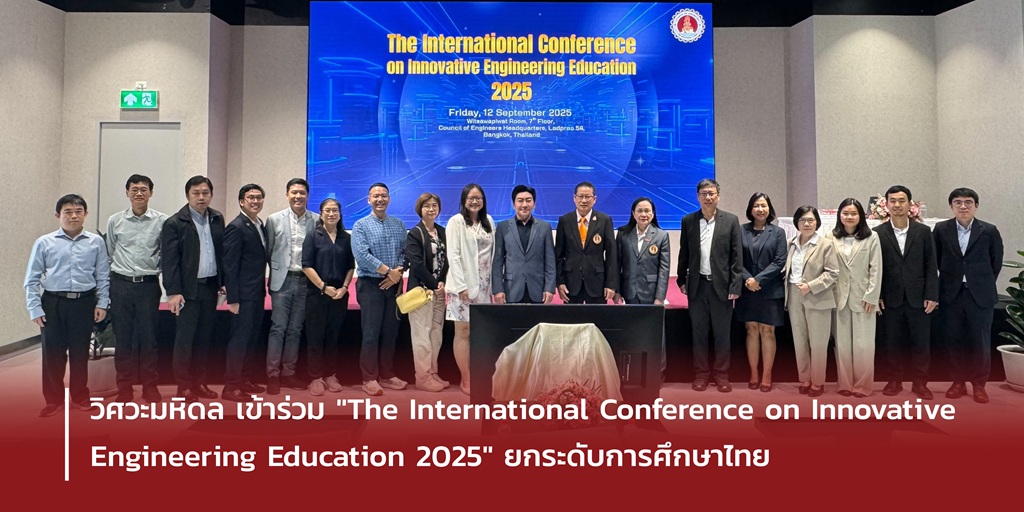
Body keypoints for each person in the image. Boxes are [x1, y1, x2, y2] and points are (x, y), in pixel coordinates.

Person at [25, 194, 110, 417]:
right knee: (53, 354)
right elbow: (32, 279)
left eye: (78, 211)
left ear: (85, 214)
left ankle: (80, 397)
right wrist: (35, 308)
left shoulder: (96, 242)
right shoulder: (44, 242)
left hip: (84, 302)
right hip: (52, 302)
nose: (74, 216)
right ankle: (53, 400)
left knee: (80, 353)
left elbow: (103, 276)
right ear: (58, 215)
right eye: (68, 212)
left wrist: (102, 303)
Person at [934, 187, 1003, 404]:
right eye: (958, 202)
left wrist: (979, 283)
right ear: (951, 206)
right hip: (951, 293)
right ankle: (958, 382)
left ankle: (979, 385)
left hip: (980, 295)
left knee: (979, 341)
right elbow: (936, 259)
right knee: (953, 339)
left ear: (976, 206)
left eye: (968, 202)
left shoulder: (989, 230)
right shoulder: (941, 229)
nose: (963, 206)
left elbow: (996, 262)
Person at [162, 175, 225, 403]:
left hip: (210, 287)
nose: (201, 197)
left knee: (204, 339)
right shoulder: (174, 223)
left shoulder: (217, 218)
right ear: (187, 195)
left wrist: (223, 282)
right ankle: (184, 386)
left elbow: (221, 253)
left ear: (211, 195)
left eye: (205, 193)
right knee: (185, 340)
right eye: (196, 193)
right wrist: (173, 291)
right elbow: (169, 261)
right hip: (186, 291)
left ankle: (200, 382)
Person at [675, 179, 742, 393]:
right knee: (699, 334)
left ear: (718, 196)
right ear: (698, 197)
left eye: (711, 193)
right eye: (704, 193)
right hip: (697, 286)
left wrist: (735, 285)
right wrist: (681, 280)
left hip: (722, 286)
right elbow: (684, 253)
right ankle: (701, 375)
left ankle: (722, 375)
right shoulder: (688, 220)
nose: (708, 197)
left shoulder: (730, 221)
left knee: (722, 334)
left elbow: (736, 257)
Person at [105, 174, 167, 403]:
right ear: (127, 193)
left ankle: (150, 387)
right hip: (120, 285)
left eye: (143, 189)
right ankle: (125, 389)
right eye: (134, 189)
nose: (139, 193)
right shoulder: (115, 221)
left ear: (151, 192)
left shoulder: (162, 221)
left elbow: (166, 253)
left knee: (149, 339)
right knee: (123, 340)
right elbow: (109, 253)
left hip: (148, 285)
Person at [874, 185, 938, 399]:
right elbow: (875, 267)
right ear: (886, 204)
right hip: (890, 297)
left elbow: (931, 264)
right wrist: (877, 295)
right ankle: (894, 380)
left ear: (910, 204)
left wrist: (932, 294)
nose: (897, 205)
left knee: (921, 343)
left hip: (919, 297)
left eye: (902, 201)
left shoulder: (923, 231)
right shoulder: (878, 233)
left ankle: (920, 383)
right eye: (892, 201)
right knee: (892, 342)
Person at [351, 183, 408, 396]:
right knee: (371, 334)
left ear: (389, 199)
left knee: (390, 333)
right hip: (370, 285)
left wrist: (397, 273)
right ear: (369, 200)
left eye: (383, 195)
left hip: (394, 285)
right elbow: (361, 255)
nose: (380, 199)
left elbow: (405, 253)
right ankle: (369, 378)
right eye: (375, 196)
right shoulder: (360, 225)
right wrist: (388, 272)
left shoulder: (398, 224)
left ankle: (387, 375)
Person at [264, 178, 318, 395]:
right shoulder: (273, 219)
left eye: (302, 193)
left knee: (295, 329)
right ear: (287, 194)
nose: (298, 196)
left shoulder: (316, 220)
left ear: (308, 195)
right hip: (282, 280)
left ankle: (289, 373)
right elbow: (268, 251)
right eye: (294, 192)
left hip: (306, 281)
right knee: (278, 328)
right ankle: (272, 375)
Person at [827, 198, 882, 398]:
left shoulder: (871, 237)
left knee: (863, 345)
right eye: (845, 213)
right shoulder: (830, 237)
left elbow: (876, 268)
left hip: (863, 297)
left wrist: (872, 296)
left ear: (861, 216)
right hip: (839, 297)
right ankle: (844, 384)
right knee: (842, 345)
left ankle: (862, 386)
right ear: (839, 215)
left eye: (853, 213)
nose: (849, 217)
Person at [733, 192, 787, 393]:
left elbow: (780, 261)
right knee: (751, 330)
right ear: (751, 209)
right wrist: (748, 279)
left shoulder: (778, 232)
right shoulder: (741, 230)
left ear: (769, 208)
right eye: (756, 205)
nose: (760, 209)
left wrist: (759, 280)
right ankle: (754, 374)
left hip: (770, 289)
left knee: (767, 331)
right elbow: (735, 259)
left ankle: (767, 375)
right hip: (747, 288)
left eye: (764, 205)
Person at [445, 184, 495, 395]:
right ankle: (465, 379)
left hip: (484, 287)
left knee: (480, 332)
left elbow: (492, 254)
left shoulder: (488, 221)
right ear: (464, 200)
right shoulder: (456, 222)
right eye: (471, 198)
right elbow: (453, 255)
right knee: (463, 332)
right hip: (463, 287)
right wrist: (461, 286)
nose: (475, 201)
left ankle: (479, 374)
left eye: (478, 198)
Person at [221, 184, 269, 402]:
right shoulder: (236, 226)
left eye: (259, 197)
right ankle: (230, 386)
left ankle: (244, 380)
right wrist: (233, 298)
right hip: (242, 296)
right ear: (241, 201)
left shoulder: (258, 224)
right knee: (239, 341)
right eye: (251, 197)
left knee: (251, 339)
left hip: (256, 292)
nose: (255, 201)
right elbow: (229, 265)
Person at [301, 198, 354, 396]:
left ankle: (330, 375)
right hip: (317, 295)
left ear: (340, 214)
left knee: (333, 338)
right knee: (315, 338)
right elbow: (306, 265)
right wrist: (324, 287)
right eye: (327, 210)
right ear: (321, 214)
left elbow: (350, 266)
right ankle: (315, 378)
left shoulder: (346, 238)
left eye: (335, 211)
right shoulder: (313, 236)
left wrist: (344, 288)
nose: (331, 214)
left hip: (339, 295)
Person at [784, 205, 839, 397]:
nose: (806, 224)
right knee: (799, 340)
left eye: (810, 220)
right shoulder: (791, 243)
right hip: (794, 294)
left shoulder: (826, 244)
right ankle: (805, 379)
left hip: (818, 296)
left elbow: (833, 273)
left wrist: (811, 286)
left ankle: (817, 382)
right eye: (802, 220)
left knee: (818, 343)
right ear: (796, 222)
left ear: (817, 222)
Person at [406, 193, 449, 392]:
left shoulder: (443, 231)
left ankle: (432, 372)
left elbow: (448, 260)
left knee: (436, 334)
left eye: (434, 205)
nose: (431, 209)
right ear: (420, 209)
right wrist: (434, 284)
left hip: (439, 292)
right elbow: (416, 264)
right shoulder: (415, 233)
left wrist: (442, 282)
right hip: (422, 292)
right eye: (427, 206)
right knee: (421, 336)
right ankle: (422, 377)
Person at [555, 182, 618, 304]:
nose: (584, 200)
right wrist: (560, 282)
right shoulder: (565, 220)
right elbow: (558, 255)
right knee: (572, 316)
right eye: (580, 196)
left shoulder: (604, 220)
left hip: (597, 283)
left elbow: (611, 255)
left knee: (597, 316)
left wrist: (611, 284)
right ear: (574, 198)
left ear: (594, 199)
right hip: (571, 283)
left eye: (588, 197)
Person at [492, 184, 556, 305]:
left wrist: (549, 288)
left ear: (534, 204)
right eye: (520, 200)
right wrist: (498, 289)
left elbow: (550, 261)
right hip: (511, 289)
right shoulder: (503, 227)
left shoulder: (545, 227)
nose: (524, 204)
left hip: (538, 289)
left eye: (528, 200)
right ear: (513, 204)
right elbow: (497, 261)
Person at [615, 197, 670, 305]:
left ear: (653, 214)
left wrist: (660, 297)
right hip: (628, 292)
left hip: (651, 292)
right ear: (633, 213)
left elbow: (664, 270)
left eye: (647, 211)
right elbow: (616, 265)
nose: (643, 214)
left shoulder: (661, 236)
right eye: (639, 211)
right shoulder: (623, 234)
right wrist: (617, 292)